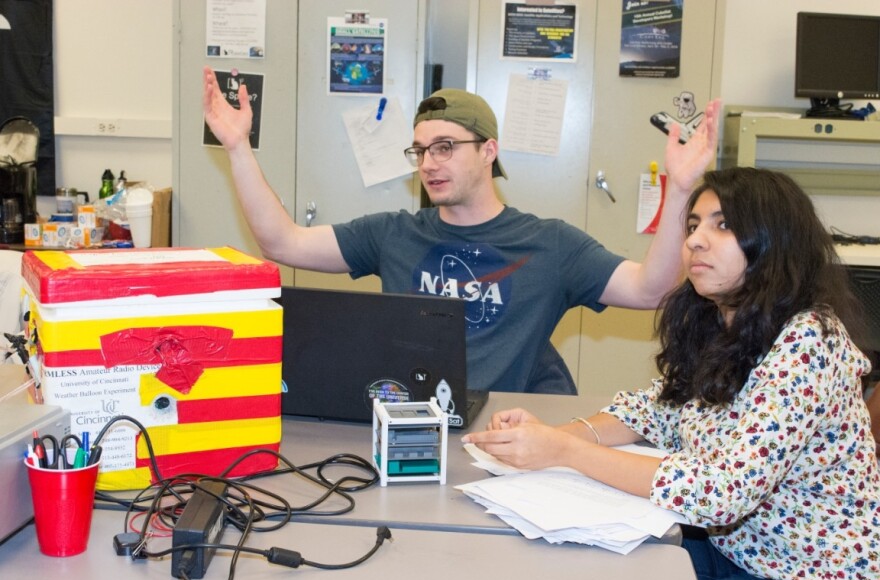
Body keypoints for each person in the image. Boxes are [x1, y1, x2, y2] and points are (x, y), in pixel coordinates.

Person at [463, 167, 879, 580]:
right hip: (739, 548)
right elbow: (659, 410)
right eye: (694, 225)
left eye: (724, 225)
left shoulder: (809, 341)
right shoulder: (720, 320)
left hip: (810, 573)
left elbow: (723, 493)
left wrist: (564, 453)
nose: (695, 239)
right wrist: (557, 436)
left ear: (775, 244)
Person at [203, 66, 721, 394]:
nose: (429, 163)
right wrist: (237, 148)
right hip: (414, 428)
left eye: (446, 146)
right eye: (421, 150)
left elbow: (653, 289)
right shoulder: (392, 235)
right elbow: (282, 242)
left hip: (510, 438)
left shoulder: (550, 244)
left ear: (489, 151)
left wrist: (679, 190)